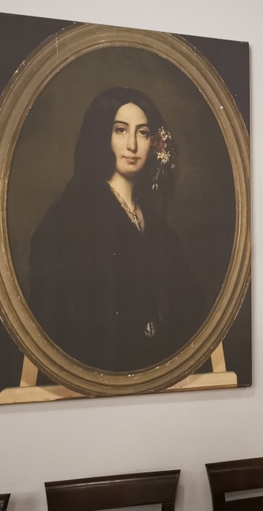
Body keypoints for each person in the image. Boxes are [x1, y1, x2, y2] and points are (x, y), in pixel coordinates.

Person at [29, 86, 197, 371]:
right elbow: (51, 319)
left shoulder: (159, 227)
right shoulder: (69, 217)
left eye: (142, 132)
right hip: (97, 371)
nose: (132, 145)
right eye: (120, 130)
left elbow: (189, 302)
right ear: (102, 136)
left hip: (157, 370)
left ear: (154, 142)